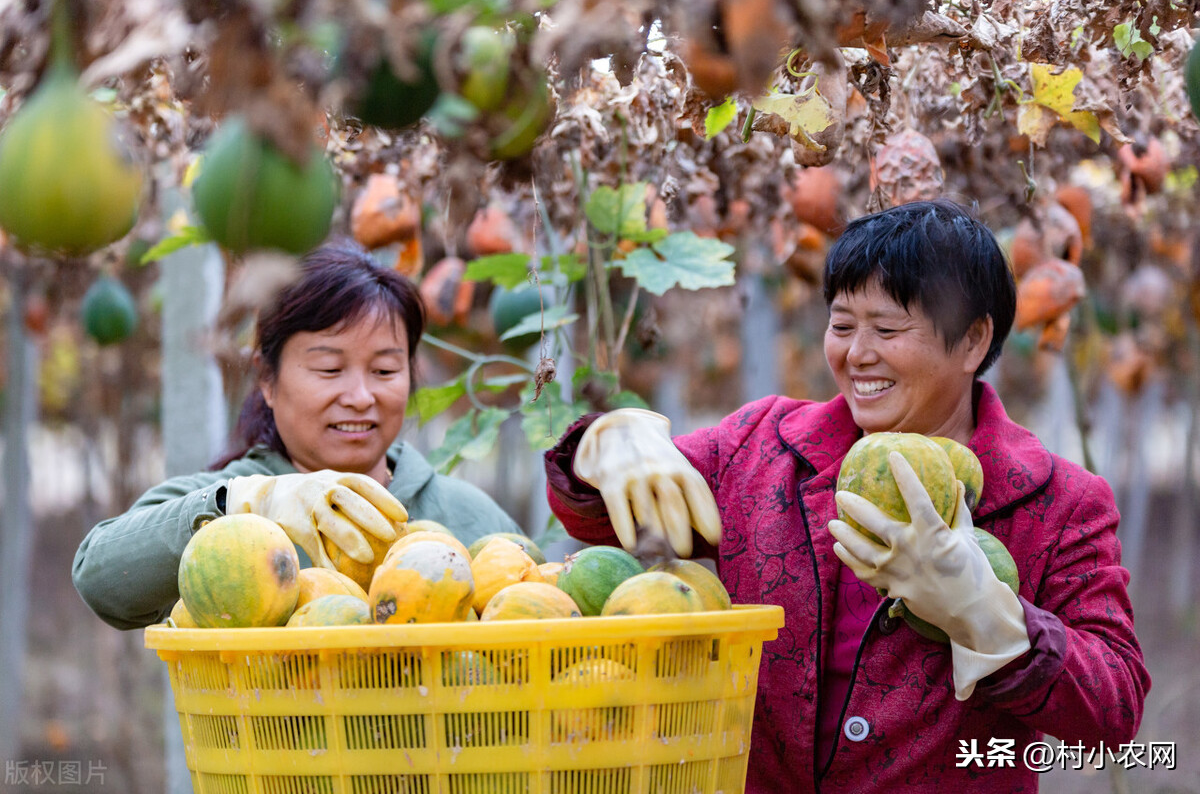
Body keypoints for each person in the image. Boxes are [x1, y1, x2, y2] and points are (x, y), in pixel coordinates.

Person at [544, 199, 1149, 792]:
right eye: (841, 325)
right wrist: (605, 442)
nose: (857, 354)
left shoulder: (1060, 503)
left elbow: (1113, 714)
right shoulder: (760, 446)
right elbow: (604, 523)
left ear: (971, 340)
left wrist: (994, 622)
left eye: (887, 328)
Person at [74, 239, 520, 630]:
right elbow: (101, 577)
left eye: (384, 369)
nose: (361, 396)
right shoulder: (228, 502)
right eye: (330, 368)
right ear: (267, 379)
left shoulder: (468, 517)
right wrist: (248, 503)